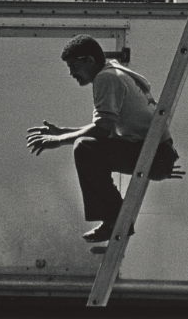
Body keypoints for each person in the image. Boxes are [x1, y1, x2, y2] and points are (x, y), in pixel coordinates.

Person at [25, 34, 180, 243]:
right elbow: (106, 130)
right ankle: (114, 218)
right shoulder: (114, 72)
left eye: (74, 66)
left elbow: (101, 130)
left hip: (154, 155)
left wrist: (59, 141)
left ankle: (114, 219)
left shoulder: (105, 78)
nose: (71, 73)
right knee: (87, 147)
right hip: (157, 154)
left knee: (84, 149)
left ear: (89, 60)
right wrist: (63, 132)